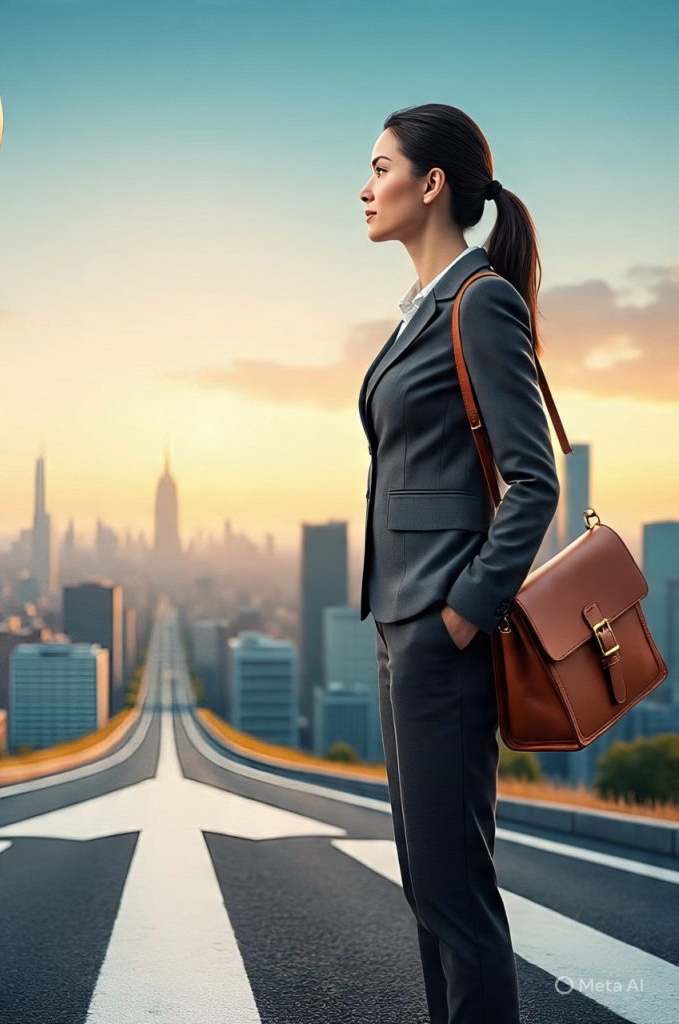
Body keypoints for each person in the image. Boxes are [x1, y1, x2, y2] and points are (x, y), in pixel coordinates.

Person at [357, 103, 561, 1023]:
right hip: (402, 624)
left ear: (430, 184)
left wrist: (465, 610)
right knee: (425, 888)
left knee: (454, 893)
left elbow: (535, 480)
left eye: (381, 166)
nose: (365, 188)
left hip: (442, 630)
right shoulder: (419, 310)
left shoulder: (481, 300)